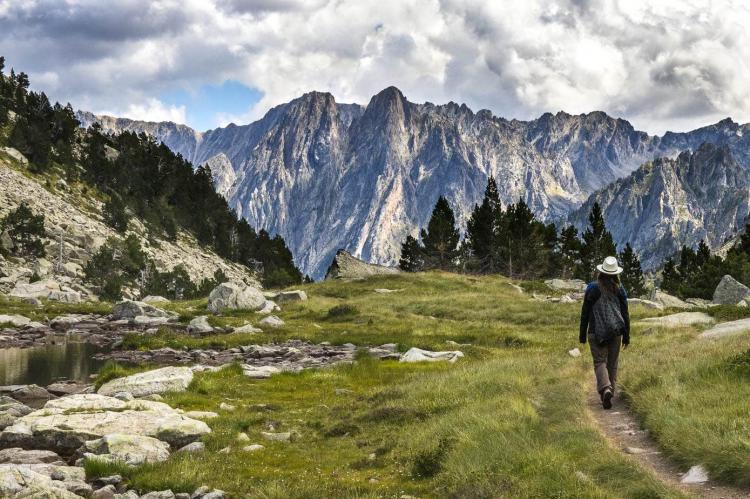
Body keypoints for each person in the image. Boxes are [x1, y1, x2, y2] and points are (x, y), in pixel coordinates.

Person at [579, 256, 630, 409]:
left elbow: (585, 312)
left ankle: (605, 388)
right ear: (615, 274)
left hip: (596, 332)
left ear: (601, 272)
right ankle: (609, 392)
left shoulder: (592, 288)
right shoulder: (620, 289)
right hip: (615, 332)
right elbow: (625, 313)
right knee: (612, 363)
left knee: (600, 361)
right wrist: (626, 335)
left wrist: (582, 334)